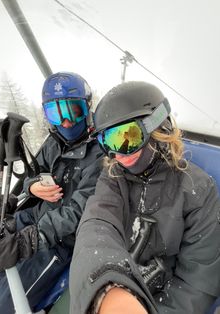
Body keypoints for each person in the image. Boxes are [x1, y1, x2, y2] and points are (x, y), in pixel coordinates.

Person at [69, 81, 220, 314]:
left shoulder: (197, 189)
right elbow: (97, 225)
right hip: (117, 276)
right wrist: (104, 288)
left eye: (127, 136)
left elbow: (197, 283)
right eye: (108, 141)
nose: (118, 153)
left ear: (159, 128)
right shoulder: (114, 177)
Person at [0, 72, 104, 313]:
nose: (66, 122)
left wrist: (31, 240)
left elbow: (79, 212)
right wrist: (32, 186)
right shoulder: (54, 142)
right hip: (32, 218)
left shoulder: (99, 155)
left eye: (73, 111)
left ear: (88, 108)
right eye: (56, 113)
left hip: (58, 243)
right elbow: (31, 174)